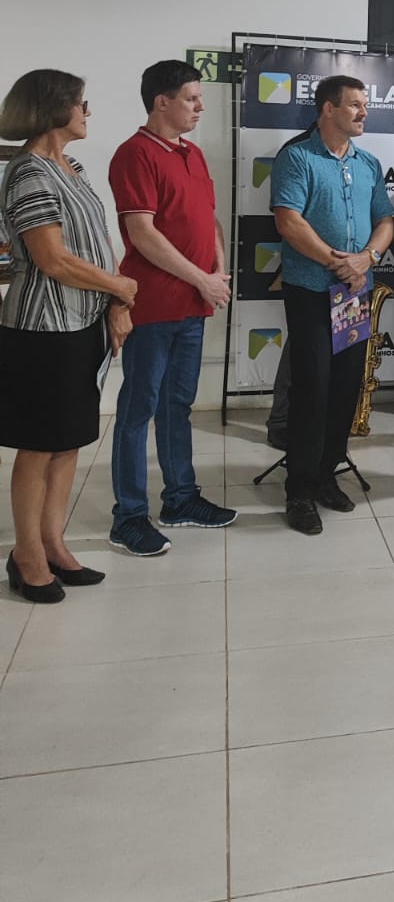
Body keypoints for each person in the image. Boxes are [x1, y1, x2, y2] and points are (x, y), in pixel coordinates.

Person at [0, 70, 137, 602]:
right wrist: (120, 286)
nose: (88, 111)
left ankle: (53, 543)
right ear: (53, 107)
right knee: (40, 444)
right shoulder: (28, 172)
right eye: (81, 102)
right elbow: (52, 258)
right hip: (43, 329)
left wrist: (116, 302)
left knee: (69, 439)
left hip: (82, 322)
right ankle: (26, 554)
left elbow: (96, 242)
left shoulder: (71, 167)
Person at [107, 61, 237, 557]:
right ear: (162, 102)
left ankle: (180, 499)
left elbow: (208, 219)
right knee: (138, 409)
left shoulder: (193, 153)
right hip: (155, 304)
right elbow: (142, 233)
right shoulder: (135, 153)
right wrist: (201, 278)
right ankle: (128, 517)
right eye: (191, 98)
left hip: (193, 304)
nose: (200, 106)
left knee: (177, 406)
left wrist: (217, 269)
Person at [270, 75, 394, 534]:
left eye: (366, 105)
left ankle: (326, 475)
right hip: (310, 289)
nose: (364, 112)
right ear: (327, 109)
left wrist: (367, 259)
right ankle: (299, 490)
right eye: (355, 105)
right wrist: (336, 262)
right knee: (313, 386)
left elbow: (385, 220)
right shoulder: (297, 156)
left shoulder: (367, 163)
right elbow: (288, 221)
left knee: (345, 386)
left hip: (355, 292)